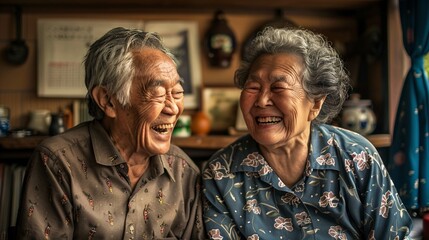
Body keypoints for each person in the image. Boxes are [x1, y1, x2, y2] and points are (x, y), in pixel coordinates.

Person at [202, 26, 413, 239]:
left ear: (315, 104)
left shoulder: (356, 156)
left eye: (278, 88)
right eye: (253, 87)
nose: (262, 100)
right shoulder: (222, 174)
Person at [16, 27, 205, 239]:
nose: (173, 108)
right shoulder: (58, 163)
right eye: (158, 94)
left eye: (177, 93)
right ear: (108, 100)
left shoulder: (183, 171)